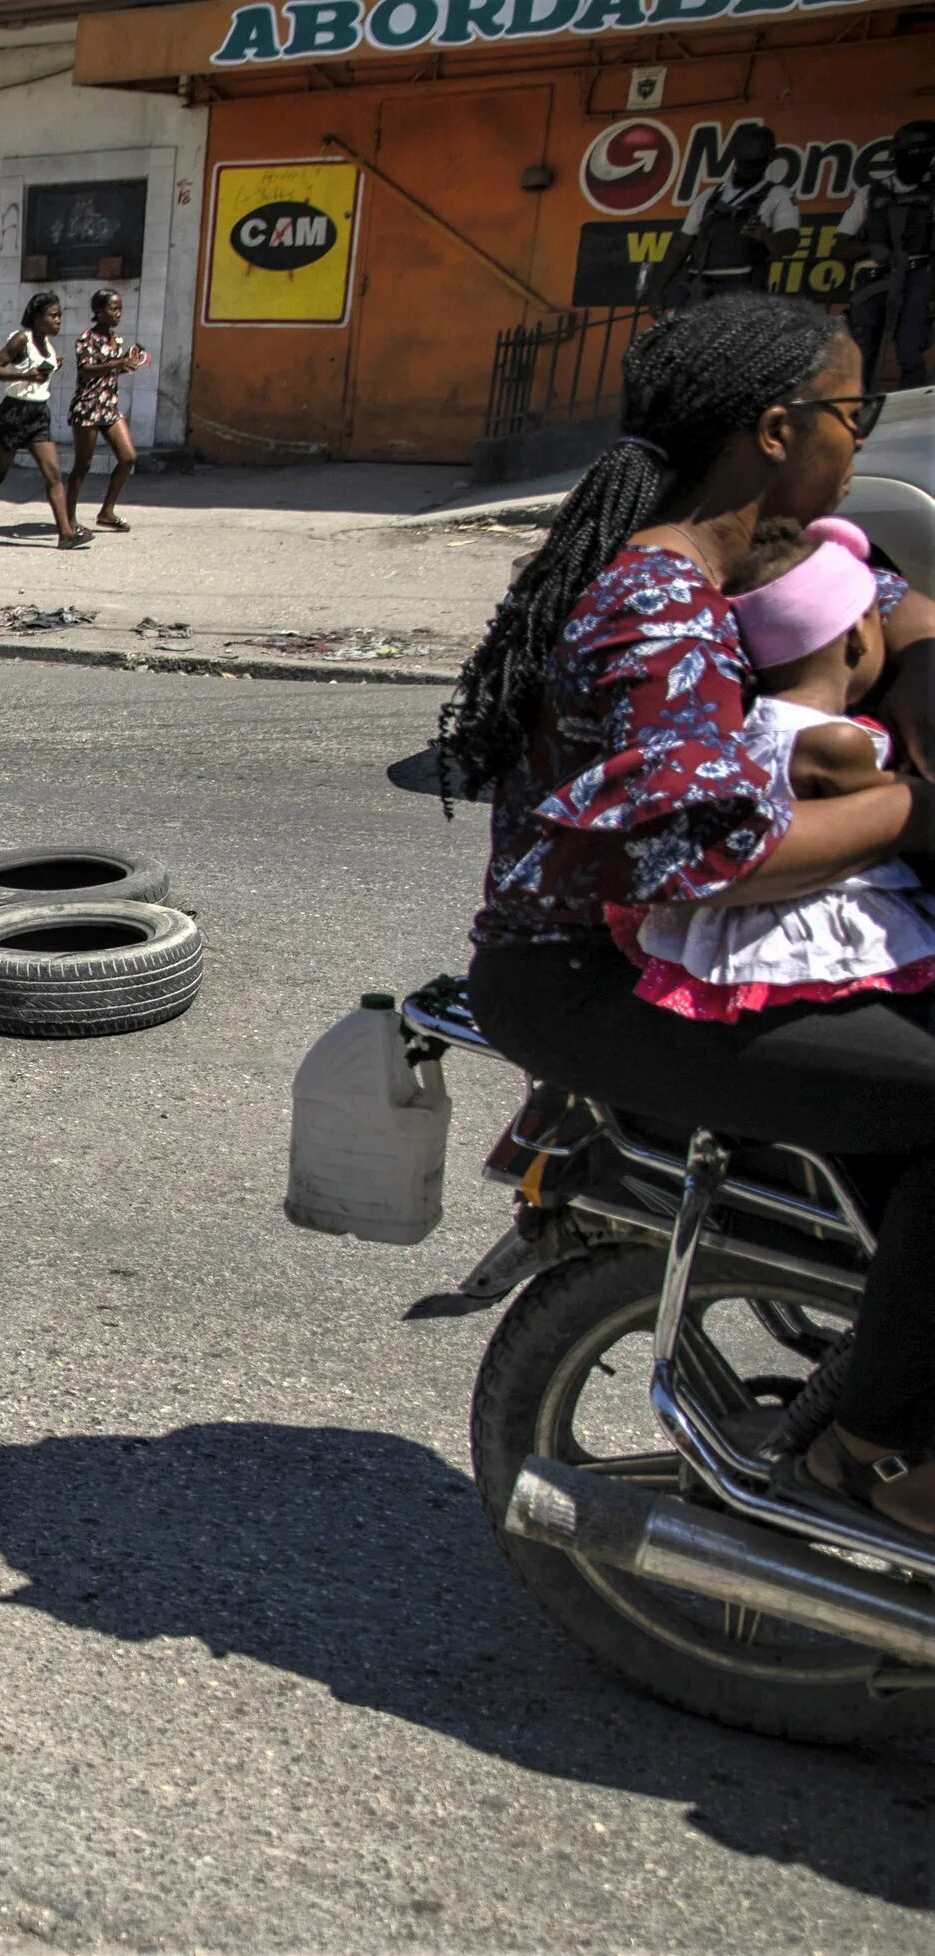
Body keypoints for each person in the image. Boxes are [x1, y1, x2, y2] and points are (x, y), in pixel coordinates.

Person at [443, 293, 935, 1537]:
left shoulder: (790, 544)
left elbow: (899, 615)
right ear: (776, 429)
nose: (861, 440)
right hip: (592, 978)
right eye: (850, 412)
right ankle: (872, 1452)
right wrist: (918, 815)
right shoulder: (652, 599)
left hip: (730, 944)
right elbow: (694, 855)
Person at [620, 518, 935, 1020]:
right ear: (857, 635)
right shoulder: (836, 741)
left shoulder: (752, 725)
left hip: (732, 933)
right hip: (814, 933)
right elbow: (910, 806)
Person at [0, 292, 80, 549]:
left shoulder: (48, 346)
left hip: (39, 415)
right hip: (13, 415)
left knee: (53, 474)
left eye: (60, 316)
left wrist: (50, 368)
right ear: (37, 318)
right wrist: (26, 376)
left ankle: (66, 534)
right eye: (53, 316)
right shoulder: (22, 339)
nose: (58, 321)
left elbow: (37, 375)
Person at [649, 125, 800, 310]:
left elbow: (790, 244)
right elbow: (680, 246)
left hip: (743, 293)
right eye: (743, 161)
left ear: (769, 159)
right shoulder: (709, 196)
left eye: (754, 162)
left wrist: (765, 235)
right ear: (735, 158)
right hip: (699, 291)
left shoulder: (778, 195)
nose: (747, 168)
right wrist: (657, 290)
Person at [844, 121, 934, 389]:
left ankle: (913, 419)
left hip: (916, 274)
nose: (919, 159)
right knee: (862, 349)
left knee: (909, 348)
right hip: (874, 278)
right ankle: (859, 406)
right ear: (897, 154)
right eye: (913, 152)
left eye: (925, 152)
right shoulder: (870, 194)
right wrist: (872, 248)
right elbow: (840, 247)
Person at [63, 290, 147, 537]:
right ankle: (68, 518)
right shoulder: (86, 339)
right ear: (99, 311)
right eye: (114, 309)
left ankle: (106, 512)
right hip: (88, 406)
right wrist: (116, 364)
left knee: (128, 457)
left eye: (120, 309)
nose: (118, 314)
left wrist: (128, 365)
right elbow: (86, 370)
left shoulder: (117, 340)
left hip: (109, 406)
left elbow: (112, 371)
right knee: (83, 465)